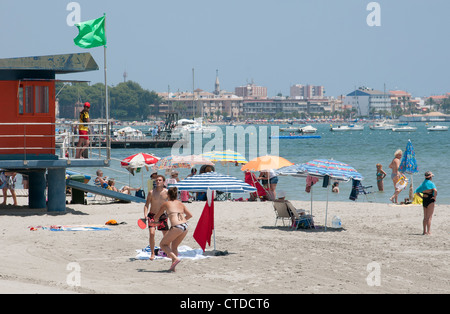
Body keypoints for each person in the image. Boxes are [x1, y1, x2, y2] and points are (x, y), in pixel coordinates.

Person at [153, 187, 193, 272]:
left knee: (163, 245)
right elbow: (189, 215)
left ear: (168, 195)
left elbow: (156, 217)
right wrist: (181, 221)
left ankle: (175, 258)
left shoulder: (165, 204)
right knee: (174, 247)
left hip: (177, 226)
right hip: (185, 226)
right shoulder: (180, 203)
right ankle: (173, 268)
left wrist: (153, 221)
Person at [143, 175, 169, 260]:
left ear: (163, 182)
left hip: (162, 216)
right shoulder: (151, 192)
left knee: (166, 235)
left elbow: (171, 203)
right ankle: (152, 253)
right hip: (152, 216)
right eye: (157, 180)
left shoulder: (167, 192)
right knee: (152, 234)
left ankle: (167, 251)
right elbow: (146, 205)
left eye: (160, 180)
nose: (158, 181)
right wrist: (145, 215)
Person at [414, 171, 437, 235]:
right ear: (430, 177)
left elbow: (417, 191)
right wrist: (434, 197)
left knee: (425, 217)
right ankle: (428, 231)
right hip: (430, 199)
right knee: (429, 217)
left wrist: (421, 197)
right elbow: (435, 190)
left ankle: (424, 231)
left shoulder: (423, 183)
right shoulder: (431, 183)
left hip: (424, 199)